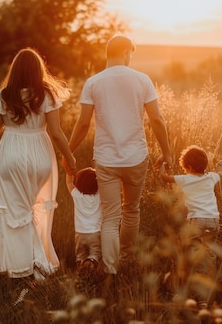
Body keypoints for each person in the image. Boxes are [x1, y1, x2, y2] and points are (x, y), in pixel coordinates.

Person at [63, 34, 173, 277]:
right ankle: (126, 257)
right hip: (136, 158)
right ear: (124, 53)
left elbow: (82, 125)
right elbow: (156, 119)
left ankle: (111, 270)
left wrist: (67, 152)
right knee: (131, 209)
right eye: (130, 54)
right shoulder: (142, 80)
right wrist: (167, 153)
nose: (130, 59)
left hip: (106, 160)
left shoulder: (93, 82)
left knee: (110, 218)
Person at [0, 48, 76, 282]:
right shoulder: (47, 95)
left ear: (14, 71)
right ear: (39, 71)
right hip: (40, 154)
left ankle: (23, 266)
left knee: (16, 212)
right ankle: (38, 264)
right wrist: (70, 157)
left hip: (12, 154)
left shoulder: (5, 96)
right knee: (35, 209)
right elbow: (56, 133)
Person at [159, 145, 221, 283]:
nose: (185, 171)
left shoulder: (185, 179)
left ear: (190, 168)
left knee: (192, 248)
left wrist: (162, 166)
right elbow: (220, 174)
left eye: (185, 168)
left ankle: (195, 277)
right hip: (213, 220)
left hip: (196, 220)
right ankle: (209, 277)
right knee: (209, 249)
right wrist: (221, 167)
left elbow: (164, 178)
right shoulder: (211, 177)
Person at [66, 167, 101, 275]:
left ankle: (80, 269)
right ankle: (90, 263)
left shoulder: (78, 196)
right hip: (95, 233)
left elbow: (69, 182)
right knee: (95, 253)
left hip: (80, 233)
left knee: (80, 255)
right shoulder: (99, 196)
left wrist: (69, 170)